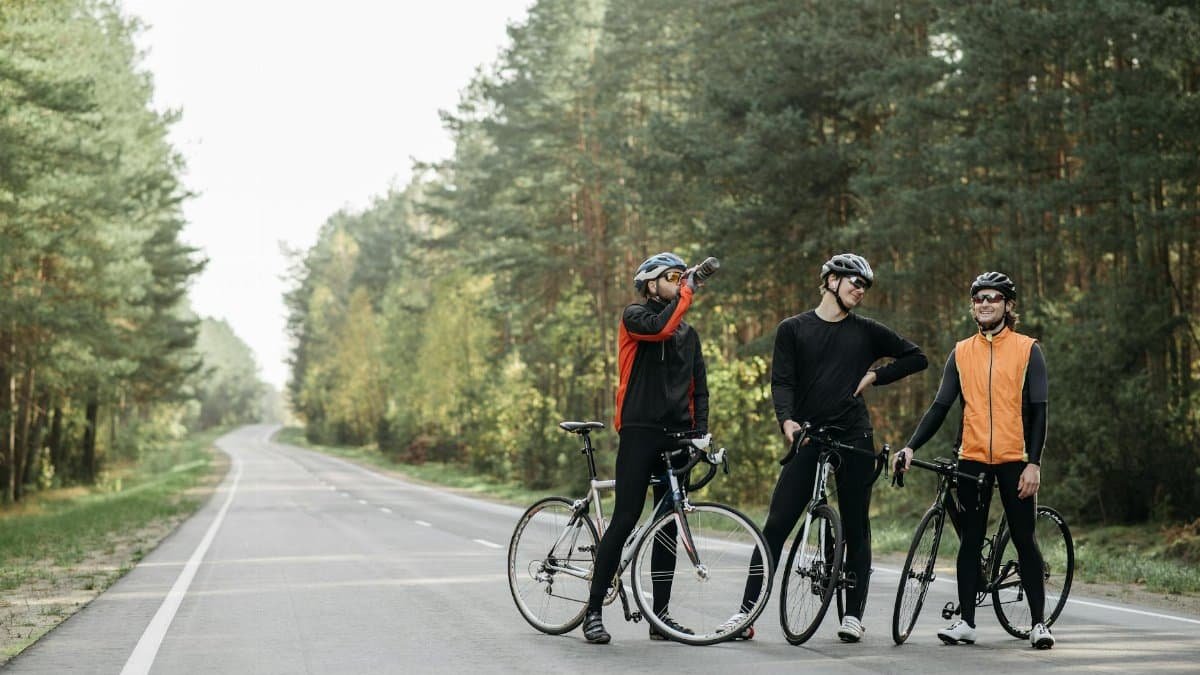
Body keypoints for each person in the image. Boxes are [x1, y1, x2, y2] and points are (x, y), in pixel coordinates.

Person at [725, 253, 927, 642]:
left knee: (857, 525)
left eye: (865, 285)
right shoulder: (793, 329)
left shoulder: (867, 330)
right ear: (831, 280)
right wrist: (787, 420)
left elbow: (917, 357)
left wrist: (874, 375)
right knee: (777, 525)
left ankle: (853, 615)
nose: (860, 289)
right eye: (854, 281)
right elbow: (781, 382)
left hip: (854, 435)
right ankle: (744, 615)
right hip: (809, 434)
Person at [893, 271, 1054, 649]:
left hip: (1016, 458)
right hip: (973, 458)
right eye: (979, 298)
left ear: (1008, 306)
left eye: (993, 298)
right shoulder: (961, 352)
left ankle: (1038, 623)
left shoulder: (1028, 349)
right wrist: (911, 445)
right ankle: (966, 621)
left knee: (1024, 538)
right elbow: (939, 407)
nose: (984, 303)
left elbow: (1040, 410)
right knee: (969, 541)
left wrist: (1035, 463)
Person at [581, 252, 709, 644]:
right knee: (626, 518)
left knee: (668, 526)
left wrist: (700, 433)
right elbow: (660, 328)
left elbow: (699, 389)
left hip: (677, 435)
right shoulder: (635, 316)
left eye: (681, 278)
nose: (679, 283)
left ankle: (661, 618)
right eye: (672, 277)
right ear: (651, 284)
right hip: (639, 431)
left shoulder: (689, 335)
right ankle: (592, 613)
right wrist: (686, 293)